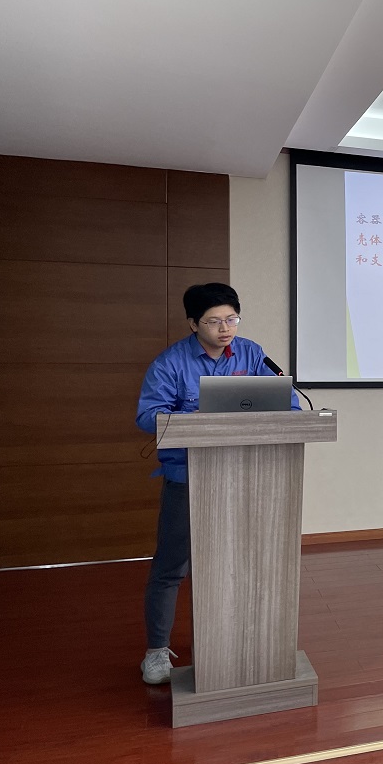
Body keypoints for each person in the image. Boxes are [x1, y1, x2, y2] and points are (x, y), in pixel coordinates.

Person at [135, 283, 298, 685]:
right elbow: (148, 416)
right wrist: (199, 421)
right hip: (188, 478)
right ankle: (156, 651)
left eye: (232, 319)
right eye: (214, 322)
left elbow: (288, 402)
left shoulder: (251, 353)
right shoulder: (170, 363)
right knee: (172, 566)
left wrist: (288, 410)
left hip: (248, 477)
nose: (226, 329)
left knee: (244, 564)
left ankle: (241, 640)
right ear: (193, 324)